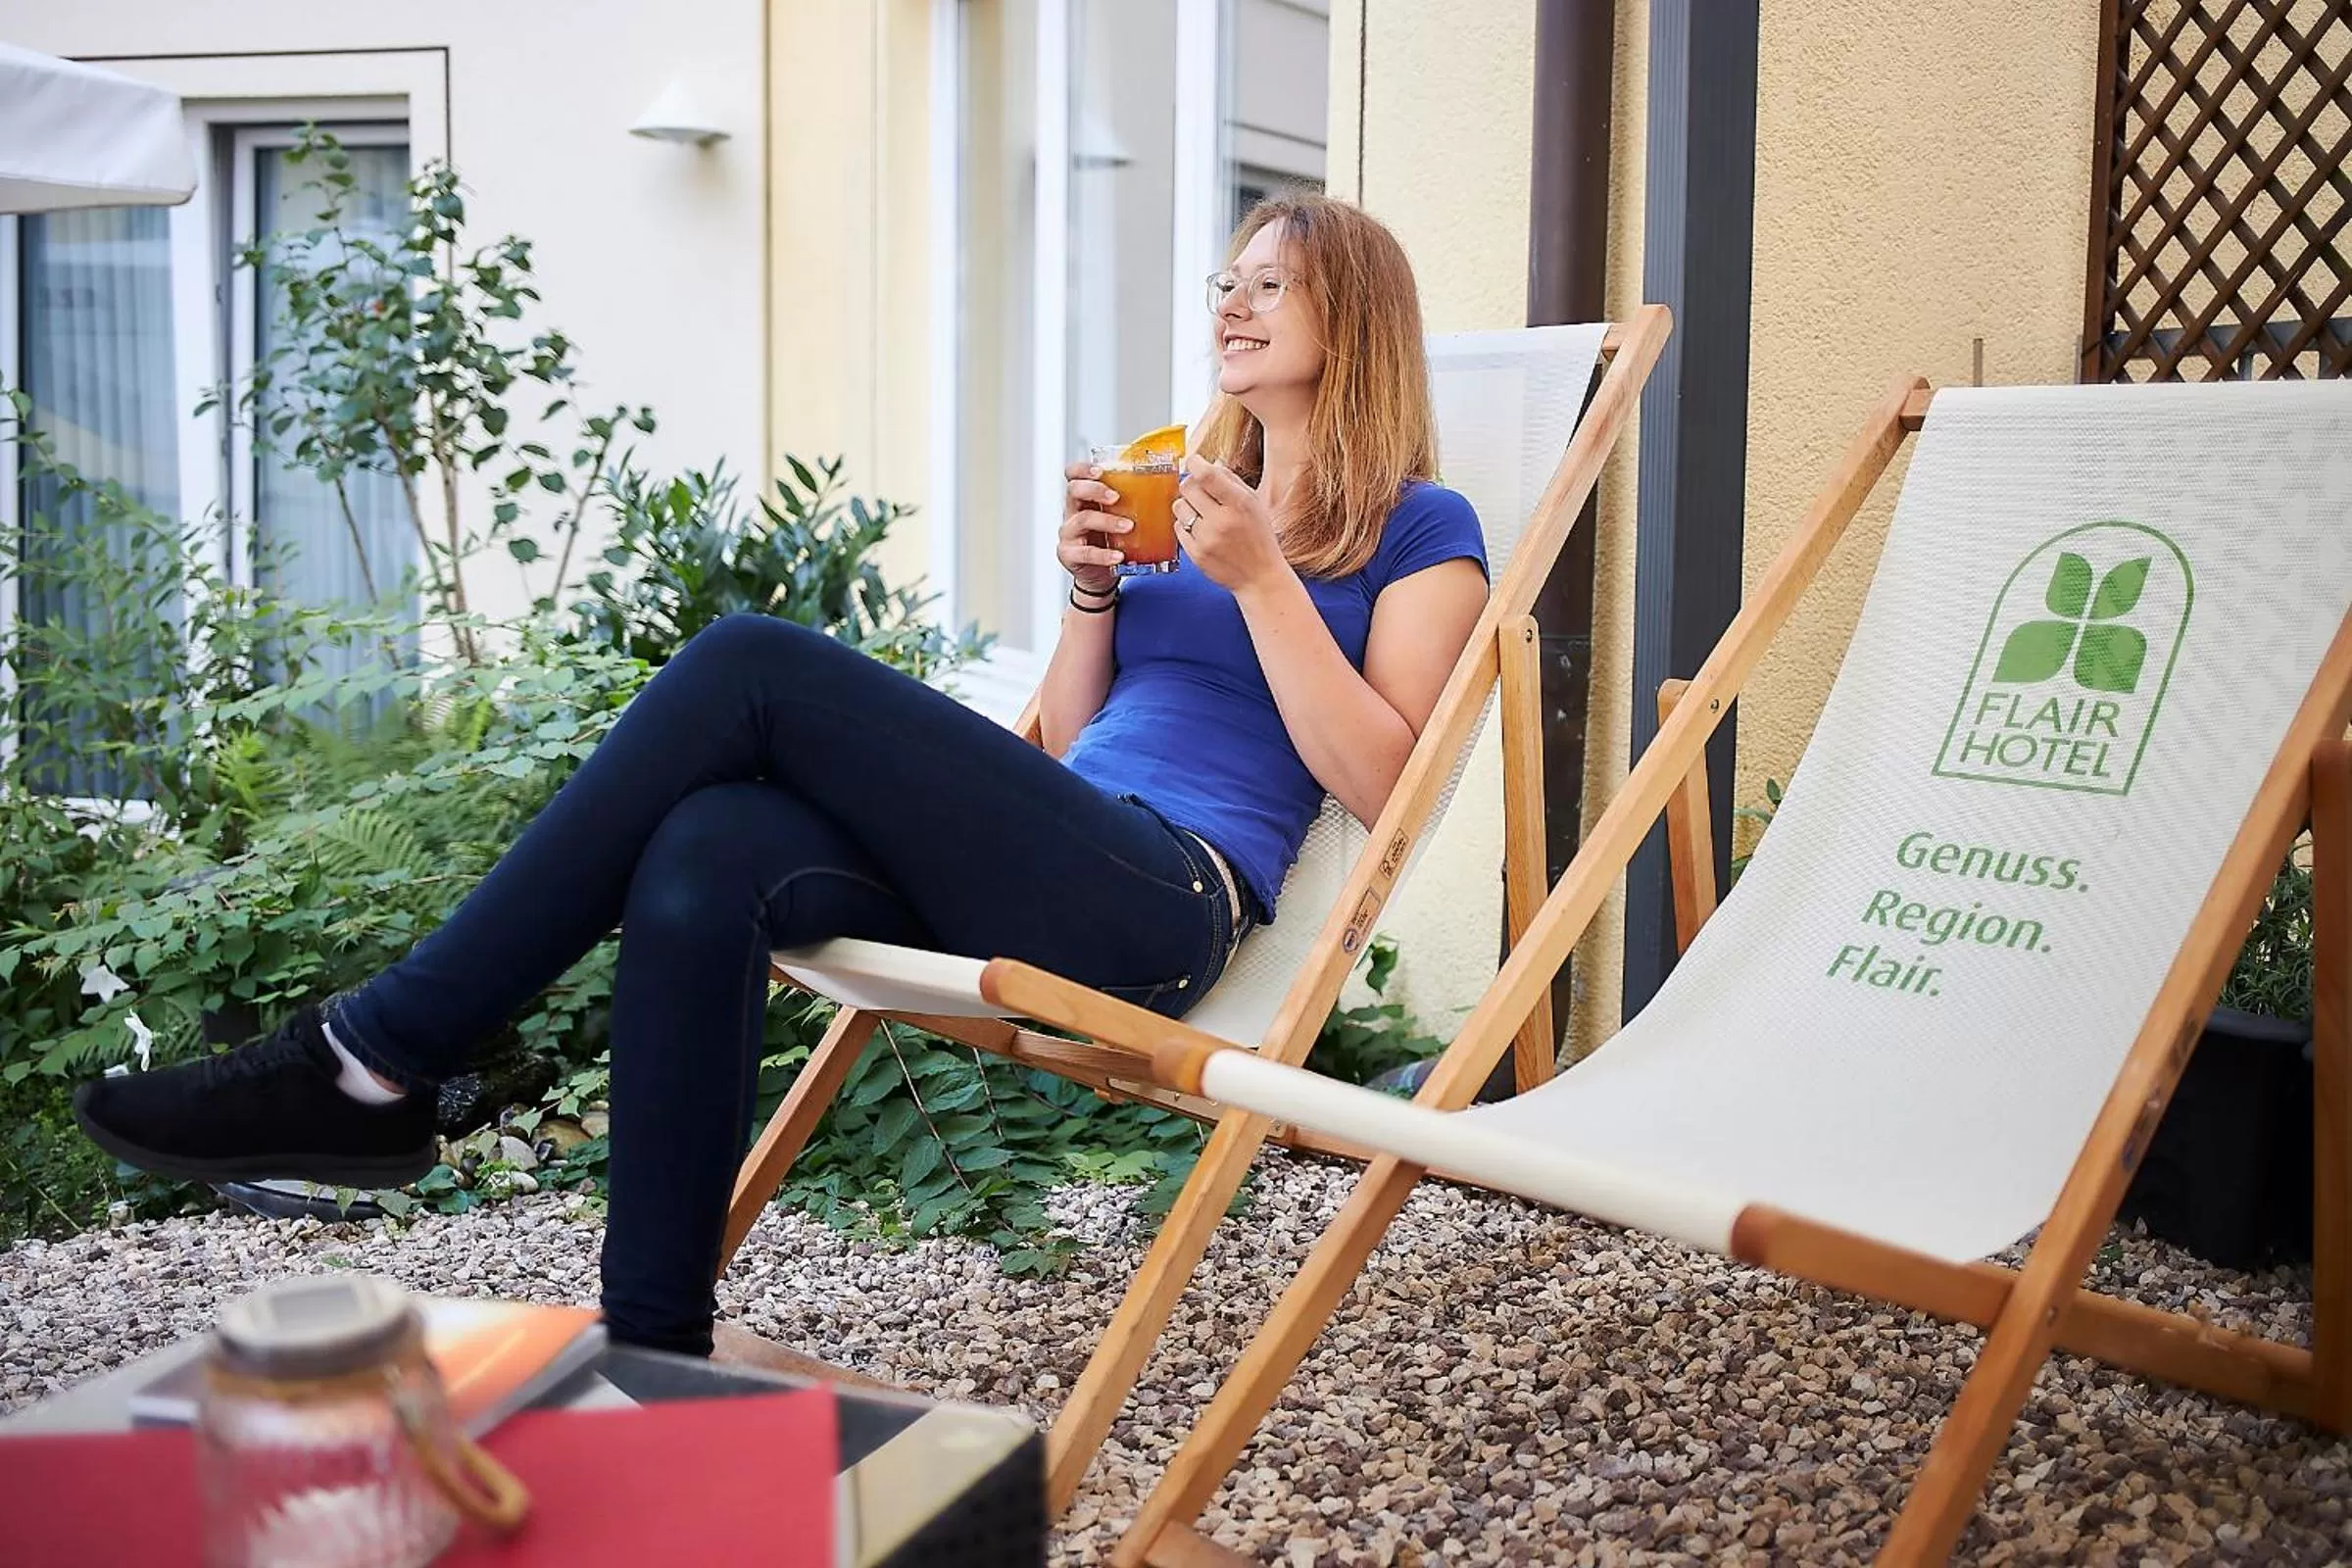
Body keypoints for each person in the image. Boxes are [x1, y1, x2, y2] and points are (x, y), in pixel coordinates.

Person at [73, 194, 1490, 1358]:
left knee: (751, 660)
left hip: (1169, 900)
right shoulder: (1182, 494)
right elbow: (1059, 742)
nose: (1231, 306)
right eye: (1225, 281)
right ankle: (655, 1336)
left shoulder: (1423, 527)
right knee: (710, 841)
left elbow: (1385, 780)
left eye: (1272, 287)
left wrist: (1264, 587)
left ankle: (371, 1058)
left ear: (1349, 321)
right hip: (1069, 835)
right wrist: (1093, 598)